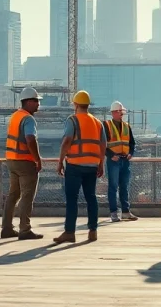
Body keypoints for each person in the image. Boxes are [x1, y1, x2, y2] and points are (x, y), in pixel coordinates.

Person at [54, 90, 107, 244]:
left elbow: (67, 140)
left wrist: (60, 161)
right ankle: (93, 231)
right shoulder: (97, 122)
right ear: (87, 105)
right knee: (91, 197)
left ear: (75, 104)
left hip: (75, 165)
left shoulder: (72, 120)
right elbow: (103, 144)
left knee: (72, 199)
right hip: (92, 166)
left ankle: (70, 232)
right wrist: (101, 163)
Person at [2, 87, 44, 240]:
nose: (38, 104)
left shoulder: (15, 116)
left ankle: (6, 228)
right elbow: (30, 139)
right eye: (36, 101)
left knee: (13, 195)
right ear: (28, 102)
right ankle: (24, 230)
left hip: (12, 160)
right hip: (25, 162)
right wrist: (37, 159)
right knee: (27, 196)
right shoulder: (28, 119)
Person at [105, 100, 138, 222]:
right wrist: (110, 155)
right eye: (119, 112)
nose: (122, 114)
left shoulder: (126, 126)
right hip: (113, 161)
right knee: (113, 187)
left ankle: (125, 212)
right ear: (113, 113)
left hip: (125, 160)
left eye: (122, 112)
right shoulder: (107, 126)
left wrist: (131, 153)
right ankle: (114, 212)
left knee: (124, 186)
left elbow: (132, 143)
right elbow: (102, 144)